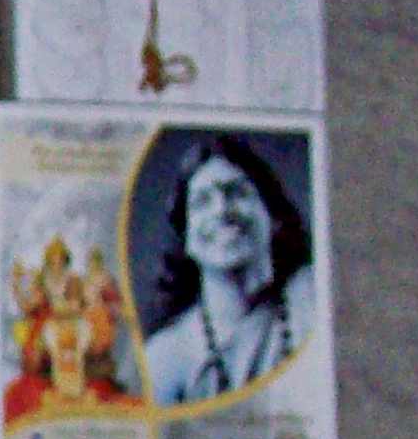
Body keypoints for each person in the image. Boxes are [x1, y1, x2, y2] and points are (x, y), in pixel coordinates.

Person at [135, 134, 316, 407]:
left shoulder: (313, 301)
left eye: (237, 192)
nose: (222, 210)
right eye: (201, 202)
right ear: (186, 239)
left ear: (274, 216)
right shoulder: (167, 358)